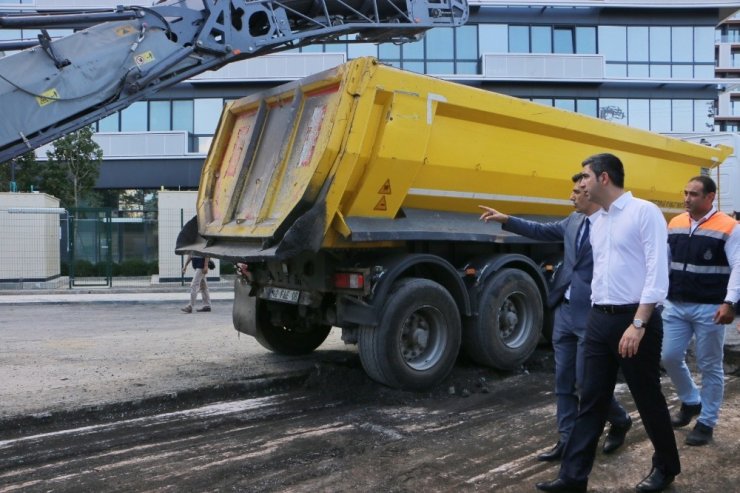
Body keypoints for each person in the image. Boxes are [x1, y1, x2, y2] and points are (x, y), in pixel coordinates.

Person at [536, 153, 679, 493]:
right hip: (599, 318)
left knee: (647, 398)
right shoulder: (597, 220)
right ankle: (573, 477)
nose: (579, 183)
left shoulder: (644, 212)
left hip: (635, 320)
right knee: (591, 399)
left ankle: (666, 469)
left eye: (584, 176)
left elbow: (657, 274)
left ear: (603, 178)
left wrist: (639, 323)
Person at [479, 174, 631, 463]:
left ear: (591, 193)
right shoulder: (572, 222)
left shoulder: (612, 226)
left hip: (593, 314)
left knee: (587, 383)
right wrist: (506, 219)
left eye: (576, 192)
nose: (571, 197)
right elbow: (541, 230)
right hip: (565, 309)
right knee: (563, 381)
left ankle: (620, 419)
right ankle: (567, 439)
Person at [660, 176, 739, 446]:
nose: (687, 198)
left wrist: (730, 303)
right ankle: (691, 401)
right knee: (669, 356)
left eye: (694, 194)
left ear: (710, 197)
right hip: (676, 305)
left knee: (709, 365)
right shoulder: (676, 223)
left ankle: (707, 421)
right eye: (685, 193)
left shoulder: (730, 227)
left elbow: (738, 267)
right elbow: (666, 262)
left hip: (710, 308)